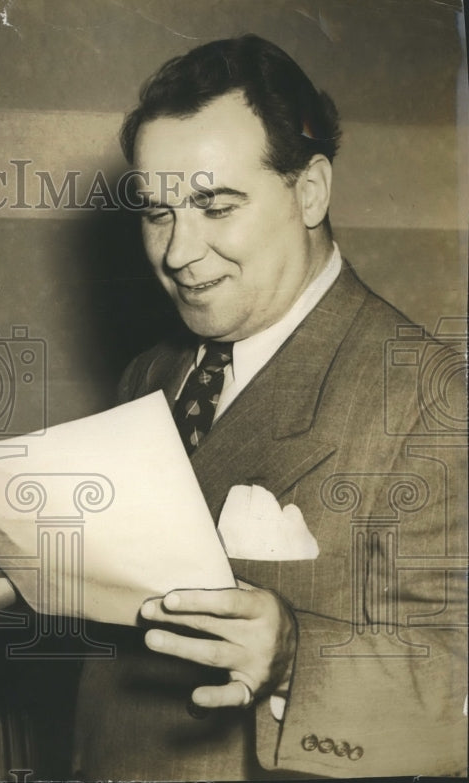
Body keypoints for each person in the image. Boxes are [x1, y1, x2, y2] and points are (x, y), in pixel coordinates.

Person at [71, 34, 467, 779]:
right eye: (157, 213)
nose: (179, 251)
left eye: (215, 206)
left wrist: (293, 657)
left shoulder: (430, 396)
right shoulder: (149, 373)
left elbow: (459, 686)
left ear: (311, 190)